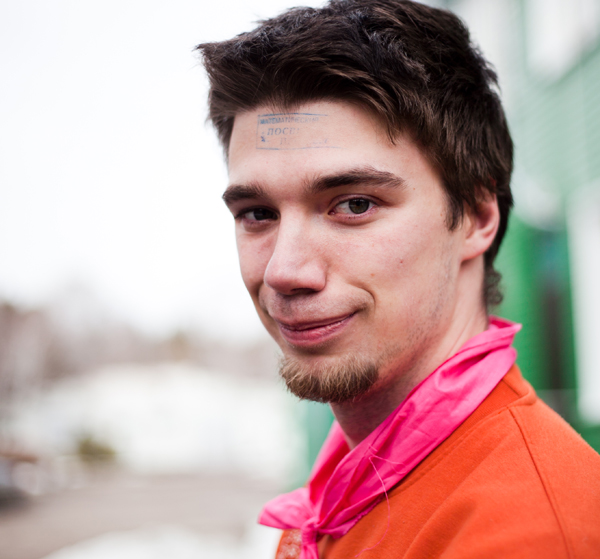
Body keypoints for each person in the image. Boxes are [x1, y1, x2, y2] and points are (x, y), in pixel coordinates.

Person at [197, 1, 600, 557]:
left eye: (354, 204)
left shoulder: (530, 533)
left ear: (476, 216)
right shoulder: (350, 488)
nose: (284, 271)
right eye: (257, 214)